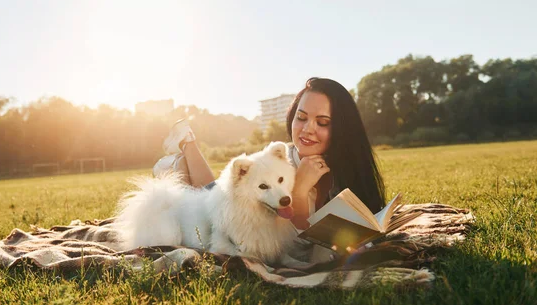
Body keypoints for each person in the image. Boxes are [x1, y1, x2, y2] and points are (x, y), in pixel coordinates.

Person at [153, 77, 386, 232]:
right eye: (301, 118)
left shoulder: (350, 167)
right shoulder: (278, 166)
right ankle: (187, 143)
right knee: (203, 197)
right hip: (229, 204)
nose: (307, 129)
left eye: (322, 122)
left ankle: (186, 149)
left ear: (343, 128)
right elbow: (296, 242)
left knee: (208, 186)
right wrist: (300, 190)